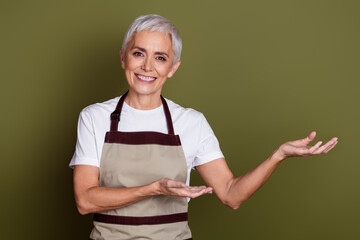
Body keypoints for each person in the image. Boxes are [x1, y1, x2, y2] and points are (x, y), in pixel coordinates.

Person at [70, 14, 338, 240]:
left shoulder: (191, 122)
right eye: (138, 53)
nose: (147, 66)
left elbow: (231, 195)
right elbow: (85, 201)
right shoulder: (94, 117)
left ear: (173, 68)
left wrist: (277, 156)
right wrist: (154, 189)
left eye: (160, 58)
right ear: (123, 58)